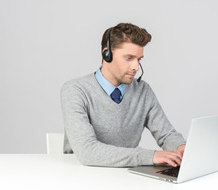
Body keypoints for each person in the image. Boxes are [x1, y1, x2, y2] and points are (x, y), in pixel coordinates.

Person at [60, 23, 186, 167]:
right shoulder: (75, 90)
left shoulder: (143, 91)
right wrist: (150, 156)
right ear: (106, 54)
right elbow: (88, 151)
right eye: (129, 58)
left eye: (139, 59)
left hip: (126, 177)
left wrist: (180, 147)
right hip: (83, 177)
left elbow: (166, 134)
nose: (136, 67)